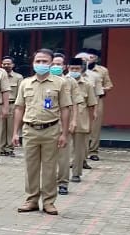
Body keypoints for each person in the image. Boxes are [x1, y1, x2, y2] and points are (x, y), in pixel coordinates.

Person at [11, 49, 72, 215]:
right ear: (33, 63)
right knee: (31, 168)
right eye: (38, 61)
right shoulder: (25, 83)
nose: (41, 64)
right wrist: (15, 132)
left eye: (45, 61)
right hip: (30, 130)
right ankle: (31, 200)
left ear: (51, 63)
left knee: (50, 168)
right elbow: (19, 108)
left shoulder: (60, 83)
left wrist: (64, 133)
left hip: (51, 130)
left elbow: (66, 109)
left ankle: (49, 202)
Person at [68, 58, 97, 184]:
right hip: (63, 120)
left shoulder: (87, 85)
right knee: (63, 149)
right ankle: (61, 174)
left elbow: (91, 106)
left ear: (82, 69)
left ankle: (76, 173)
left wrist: (90, 123)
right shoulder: (60, 82)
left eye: (77, 69)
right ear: (67, 68)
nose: (74, 71)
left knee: (79, 150)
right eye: (72, 68)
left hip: (81, 120)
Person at [51, 54, 77, 196]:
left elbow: (76, 103)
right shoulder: (46, 80)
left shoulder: (70, 82)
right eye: (54, 64)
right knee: (49, 157)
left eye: (59, 64)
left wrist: (74, 121)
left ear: (65, 66)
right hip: (48, 123)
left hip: (64, 123)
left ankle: (63, 183)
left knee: (63, 156)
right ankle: (49, 183)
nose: (56, 66)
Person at [84, 48, 113, 161]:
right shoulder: (78, 68)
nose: (89, 59)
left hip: (97, 99)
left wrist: (100, 89)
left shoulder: (102, 70)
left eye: (92, 56)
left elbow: (109, 85)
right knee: (81, 125)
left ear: (96, 58)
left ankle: (93, 151)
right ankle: (81, 151)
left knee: (95, 126)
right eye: (87, 56)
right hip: (81, 100)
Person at [0, 56, 24, 157]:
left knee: (11, 127)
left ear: (13, 65)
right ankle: (0, 148)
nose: (6, 65)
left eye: (8, 63)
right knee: (1, 128)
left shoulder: (18, 77)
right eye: (4, 63)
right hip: (0, 104)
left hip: (13, 104)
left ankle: (9, 148)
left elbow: (20, 93)